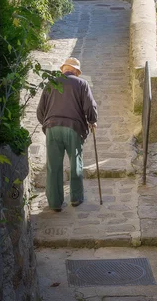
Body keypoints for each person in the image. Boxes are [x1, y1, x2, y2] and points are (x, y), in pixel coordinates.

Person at [37, 57, 97, 212]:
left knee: (53, 166)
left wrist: (48, 123)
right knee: (75, 163)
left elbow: (40, 111)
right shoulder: (81, 84)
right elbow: (89, 106)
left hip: (52, 127)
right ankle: (76, 198)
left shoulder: (51, 83)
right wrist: (92, 120)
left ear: (62, 69)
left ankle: (55, 203)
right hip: (73, 128)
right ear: (76, 71)